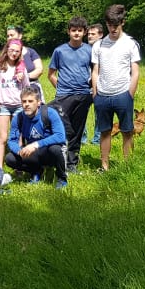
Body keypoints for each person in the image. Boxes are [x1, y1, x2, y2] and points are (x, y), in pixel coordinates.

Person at [93, 4, 142, 171]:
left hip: (123, 94)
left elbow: (135, 71)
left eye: (116, 25)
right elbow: (95, 71)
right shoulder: (98, 45)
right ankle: (104, 166)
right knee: (105, 131)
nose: (113, 29)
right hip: (102, 96)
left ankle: (128, 166)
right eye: (109, 25)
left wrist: (129, 94)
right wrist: (95, 94)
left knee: (127, 131)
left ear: (122, 23)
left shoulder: (131, 44)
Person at [49, 16, 95, 173]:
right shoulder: (59, 51)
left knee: (78, 130)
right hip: (64, 96)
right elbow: (51, 74)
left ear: (84, 32)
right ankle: (57, 160)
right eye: (73, 30)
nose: (76, 33)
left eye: (80, 30)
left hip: (83, 95)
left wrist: (92, 90)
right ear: (68, 31)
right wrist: (61, 88)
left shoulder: (89, 50)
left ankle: (72, 164)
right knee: (61, 128)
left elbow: (95, 71)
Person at [7, 88, 68, 188]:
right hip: (33, 153)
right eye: (24, 101)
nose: (26, 104)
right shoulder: (18, 118)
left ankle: (61, 178)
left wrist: (36, 144)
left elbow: (60, 136)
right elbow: (11, 141)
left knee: (55, 149)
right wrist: (19, 151)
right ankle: (36, 171)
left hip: (49, 151)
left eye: (30, 101)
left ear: (39, 102)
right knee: (10, 158)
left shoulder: (50, 113)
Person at [0, 38, 31, 170]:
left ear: (20, 53)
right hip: (3, 106)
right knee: (2, 137)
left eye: (17, 51)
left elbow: (27, 87)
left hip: (18, 106)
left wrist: (23, 77)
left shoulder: (21, 68)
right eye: (11, 50)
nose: (14, 53)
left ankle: (18, 167)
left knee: (18, 137)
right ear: (6, 50)